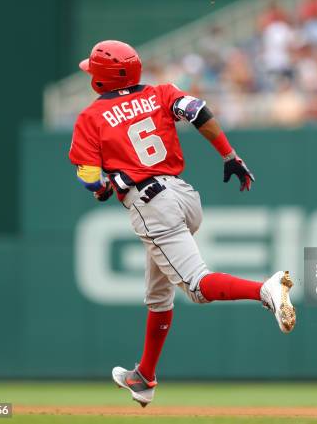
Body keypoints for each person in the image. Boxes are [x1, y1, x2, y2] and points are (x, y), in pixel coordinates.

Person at [68, 40, 296, 407]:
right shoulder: (161, 92)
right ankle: (144, 377)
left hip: (151, 205)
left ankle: (264, 290)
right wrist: (229, 154)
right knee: (158, 296)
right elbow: (197, 110)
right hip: (184, 196)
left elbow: (90, 176)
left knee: (196, 286)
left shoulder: (91, 117)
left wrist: (100, 190)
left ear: (100, 79)